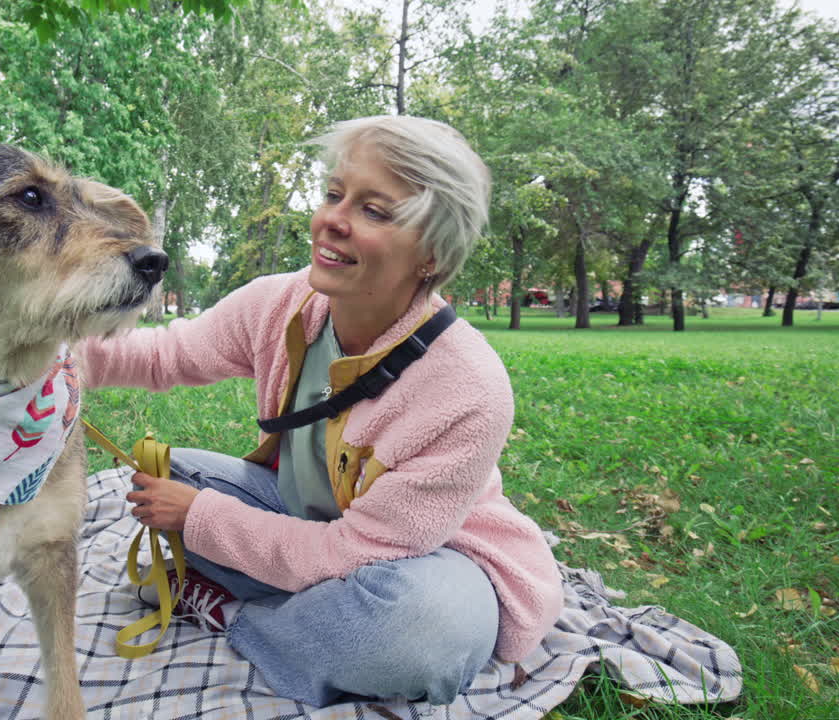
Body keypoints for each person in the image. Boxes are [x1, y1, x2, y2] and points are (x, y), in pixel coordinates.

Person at [78, 115, 562, 707]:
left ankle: (234, 614)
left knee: (418, 636)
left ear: (432, 254)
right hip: (301, 515)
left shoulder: (469, 390)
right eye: (335, 194)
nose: (332, 219)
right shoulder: (280, 304)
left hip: (424, 562)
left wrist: (203, 519)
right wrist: (51, 360)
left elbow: (356, 552)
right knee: (168, 477)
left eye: (375, 211)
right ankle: (309, 620)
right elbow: (163, 355)